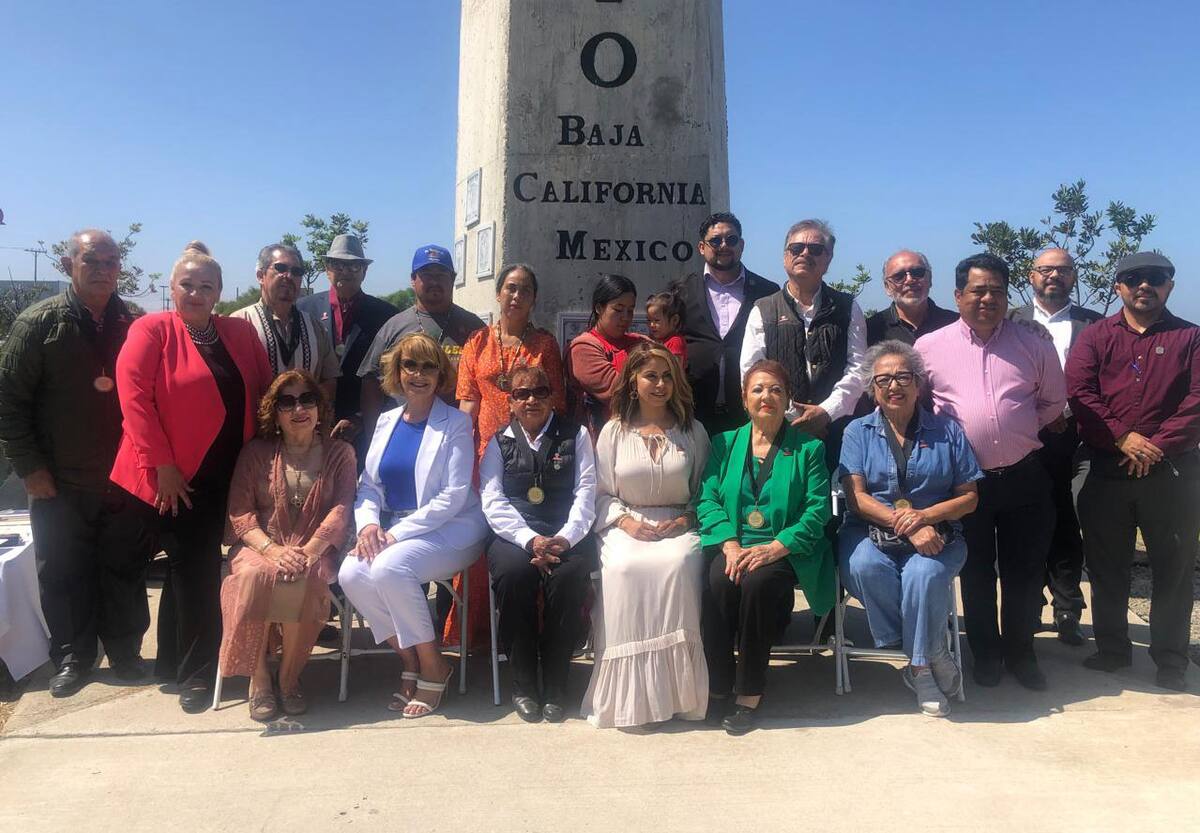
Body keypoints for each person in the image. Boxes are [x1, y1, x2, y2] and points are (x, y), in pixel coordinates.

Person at [111, 241, 273, 712]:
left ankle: (171, 662)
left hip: (231, 471)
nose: (197, 294)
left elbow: (264, 395)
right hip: (173, 478)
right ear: (172, 287)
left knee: (190, 570)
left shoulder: (239, 335)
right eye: (188, 285)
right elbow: (134, 400)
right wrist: (162, 466)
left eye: (206, 286)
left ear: (221, 290)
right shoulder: (152, 330)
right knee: (194, 570)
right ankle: (197, 674)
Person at [0, 229, 154, 697]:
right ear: (69, 266)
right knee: (64, 574)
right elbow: (8, 401)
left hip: (125, 478)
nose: (104, 269)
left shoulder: (136, 324)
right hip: (58, 481)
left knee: (124, 569)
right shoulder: (37, 324)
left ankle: (125, 652)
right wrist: (30, 467)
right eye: (92, 260)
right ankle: (73, 657)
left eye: (112, 261)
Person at [914, 253, 1066, 691]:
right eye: (978, 290)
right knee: (975, 573)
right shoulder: (930, 347)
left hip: (1024, 476)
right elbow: (920, 406)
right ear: (958, 295)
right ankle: (986, 655)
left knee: (1024, 573)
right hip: (964, 484)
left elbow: (1053, 401)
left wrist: (1016, 430)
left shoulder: (1032, 344)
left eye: (997, 291)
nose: (987, 299)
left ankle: (1022, 653)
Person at [1067, 252, 1200, 692]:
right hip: (1106, 467)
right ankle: (1112, 649)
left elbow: (1197, 400)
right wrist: (1123, 437)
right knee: (1106, 565)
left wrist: (1156, 446)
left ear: (1170, 286)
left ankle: (1171, 658)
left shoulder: (1191, 338)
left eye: (1156, 278)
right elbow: (1080, 393)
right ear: (1118, 286)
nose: (1145, 285)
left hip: (1172, 471)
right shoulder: (1095, 337)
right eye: (1134, 278)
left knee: (1174, 567)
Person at [338, 333, 488, 718]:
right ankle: (410, 659)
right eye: (410, 365)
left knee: (390, 567)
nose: (418, 374)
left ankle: (434, 665)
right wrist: (369, 526)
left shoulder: (455, 422)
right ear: (397, 371)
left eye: (428, 366)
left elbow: (453, 496)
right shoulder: (387, 420)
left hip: (454, 528)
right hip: (393, 531)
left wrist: (393, 535)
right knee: (352, 573)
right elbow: (370, 485)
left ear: (440, 375)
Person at [838, 341, 982, 717]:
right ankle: (932, 648)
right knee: (866, 567)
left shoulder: (947, 430)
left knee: (923, 572)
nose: (893, 385)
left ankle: (919, 668)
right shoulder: (857, 431)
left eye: (903, 376)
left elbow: (969, 497)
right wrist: (907, 523)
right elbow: (858, 499)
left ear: (919, 384)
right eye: (882, 379)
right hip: (869, 529)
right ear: (872, 390)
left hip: (938, 533)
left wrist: (925, 517)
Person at [696, 360, 834, 734]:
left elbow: (818, 509)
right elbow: (707, 498)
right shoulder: (724, 443)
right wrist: (728, 543)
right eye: (757, 389)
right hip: (735, 545)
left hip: (785, 549)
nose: (766, 396)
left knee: (758, 584)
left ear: (788, 398)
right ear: (744, 399)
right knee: (718, 583)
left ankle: (749, 690)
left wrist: (777, 547)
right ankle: (719, 683)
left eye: (775, 389)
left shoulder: (809, 449)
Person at [580, 342, 711, 729]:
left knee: (681, 563)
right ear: (633, 381)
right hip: (625, 523)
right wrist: (625, 522)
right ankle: (629, 701)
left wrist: (686, 520)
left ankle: (678, 698)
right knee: (624, 568)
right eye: (650, 375)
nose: (659, 384)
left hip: (679, 523)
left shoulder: (692, 431)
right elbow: (600, 494)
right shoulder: (613, 432)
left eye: (667, 376)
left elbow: (706, 490)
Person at [218, 370, 357, 721]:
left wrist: (307, 553)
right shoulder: (256, 453)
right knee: (255, 576)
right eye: (288, 401)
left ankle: (289, 677)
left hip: (316, 547)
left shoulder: (340, 454)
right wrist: (273, 551)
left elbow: (341, 510)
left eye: (307, 399)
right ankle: (260, 678)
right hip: (260, 544)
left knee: (305, 580)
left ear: (319, 407)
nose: (299, 409)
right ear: (274, 412)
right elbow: (240, 512)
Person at [454, 264, 566, 651]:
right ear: (498, 293)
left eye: (526, 290)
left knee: (527, 541)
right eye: (511, 289)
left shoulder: (545, 345)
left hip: (531, 459)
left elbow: (556, 404)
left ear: (534, 299)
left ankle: (527, 638)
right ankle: (479, 639)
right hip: (485, 455)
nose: (517, 297)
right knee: (483, 547)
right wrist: (456, 455)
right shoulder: (476, 342)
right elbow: (467, 403)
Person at [480, 365, 596, 723]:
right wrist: (530, 541)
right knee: (515, 577)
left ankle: (558, 684)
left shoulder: (575, 435)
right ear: (511, 401)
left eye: (539, 392)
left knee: (567, 579)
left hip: (566, 533)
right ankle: (524, 683)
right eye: (522, 394)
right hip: (517, 536)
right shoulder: (499, 442)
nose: (531, 400)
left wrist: (564, 538)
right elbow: (492, 499)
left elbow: (587, 491)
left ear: (551, 396)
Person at [1007, 248, 1102, 646]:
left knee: (1067, 523)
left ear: (1074, 277)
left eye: (1062, 271)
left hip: (1075, 438)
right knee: (1025, 526)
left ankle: (1068, 611)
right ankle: (1028, 607)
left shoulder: (1095, 324)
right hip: (1024, 438)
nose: (1054, 277)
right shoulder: (1010, 322)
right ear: (1030, 276)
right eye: (1046, 270)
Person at [740, 219, 867, 467]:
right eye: (796, 248)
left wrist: (826, 412)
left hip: (838, 433)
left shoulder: (848, 307)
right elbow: (751, 374)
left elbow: (859, 369)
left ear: (828, 259)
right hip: (777, 433)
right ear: (785, 256)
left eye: (816, 249)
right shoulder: (763, 309)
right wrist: (793, 418)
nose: (805, 254)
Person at [357, 245, 486, 439]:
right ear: (413, 279)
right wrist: (373, 435)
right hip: (403, 430)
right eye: (426, 274)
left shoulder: (473, 327)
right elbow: (370, 381)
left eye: (441, 274)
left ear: (453, 279)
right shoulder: (394, 327)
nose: (434, 281)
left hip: (456, 433)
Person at [295, 234, 398, 463]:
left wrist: (361, 419)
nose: (345, 271)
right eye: (338, 264)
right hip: (308, 428)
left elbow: (394, 379)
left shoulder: (386, 315)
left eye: (354, 265)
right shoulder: (303, 309)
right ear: (326, 268)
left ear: (364, 271)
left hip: (362, 434)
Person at [676, 212, 777, 435]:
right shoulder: (680, 291)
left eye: (731, 240)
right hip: (692, 414)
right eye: (715, 240)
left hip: (749, 414)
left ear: (741, 245)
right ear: (702, 247)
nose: (724, 246)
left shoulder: (768, 293)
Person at [231, 242, 340, 400]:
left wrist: (317, 416)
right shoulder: (239, 323)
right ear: (260, 276)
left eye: (296, 271)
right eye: (280, 268)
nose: (289, 276)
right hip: (255, 423)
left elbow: (329, 377)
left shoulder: (315, 327)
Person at [565, 273, 648, 437]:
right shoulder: (583, 347)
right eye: (618, 309)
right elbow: (617, 392)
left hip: (645, 438)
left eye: (630, 310)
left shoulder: (642, 342)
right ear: (599, 308)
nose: (625, 317)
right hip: (600, 444)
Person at [865, 250, 958, 346]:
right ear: (887, 287)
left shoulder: (956, 323)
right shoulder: (871, 330)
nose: (909, 280)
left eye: (917, 272)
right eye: (899, 276)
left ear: (930, 279)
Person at [646, 287, 687, 370]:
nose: (651, 325)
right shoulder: (653, 340)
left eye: (656, 320)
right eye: (649, 320)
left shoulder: (675, 342)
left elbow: (675, 371)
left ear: (674, 320)